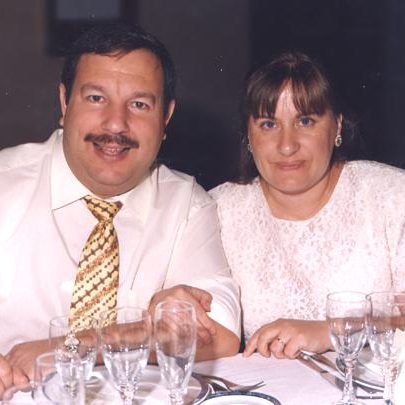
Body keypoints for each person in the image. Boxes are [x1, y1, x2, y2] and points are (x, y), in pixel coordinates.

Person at [0, 22, 240, 395]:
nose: (116, 124)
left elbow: (220, 334)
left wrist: (75, 346)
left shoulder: (187, 205)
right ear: (65, 103)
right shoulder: (5, 183)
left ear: (165, 118)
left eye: (139, 104)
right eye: (96, 98)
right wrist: (150, 330)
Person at [210, 51, 405, 360]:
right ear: (248, 134)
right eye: (269, 124)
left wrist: (334, 330)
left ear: (337, 126)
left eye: (305, 121)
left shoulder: (392, 197)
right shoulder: (217, 211)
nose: (287, 145)